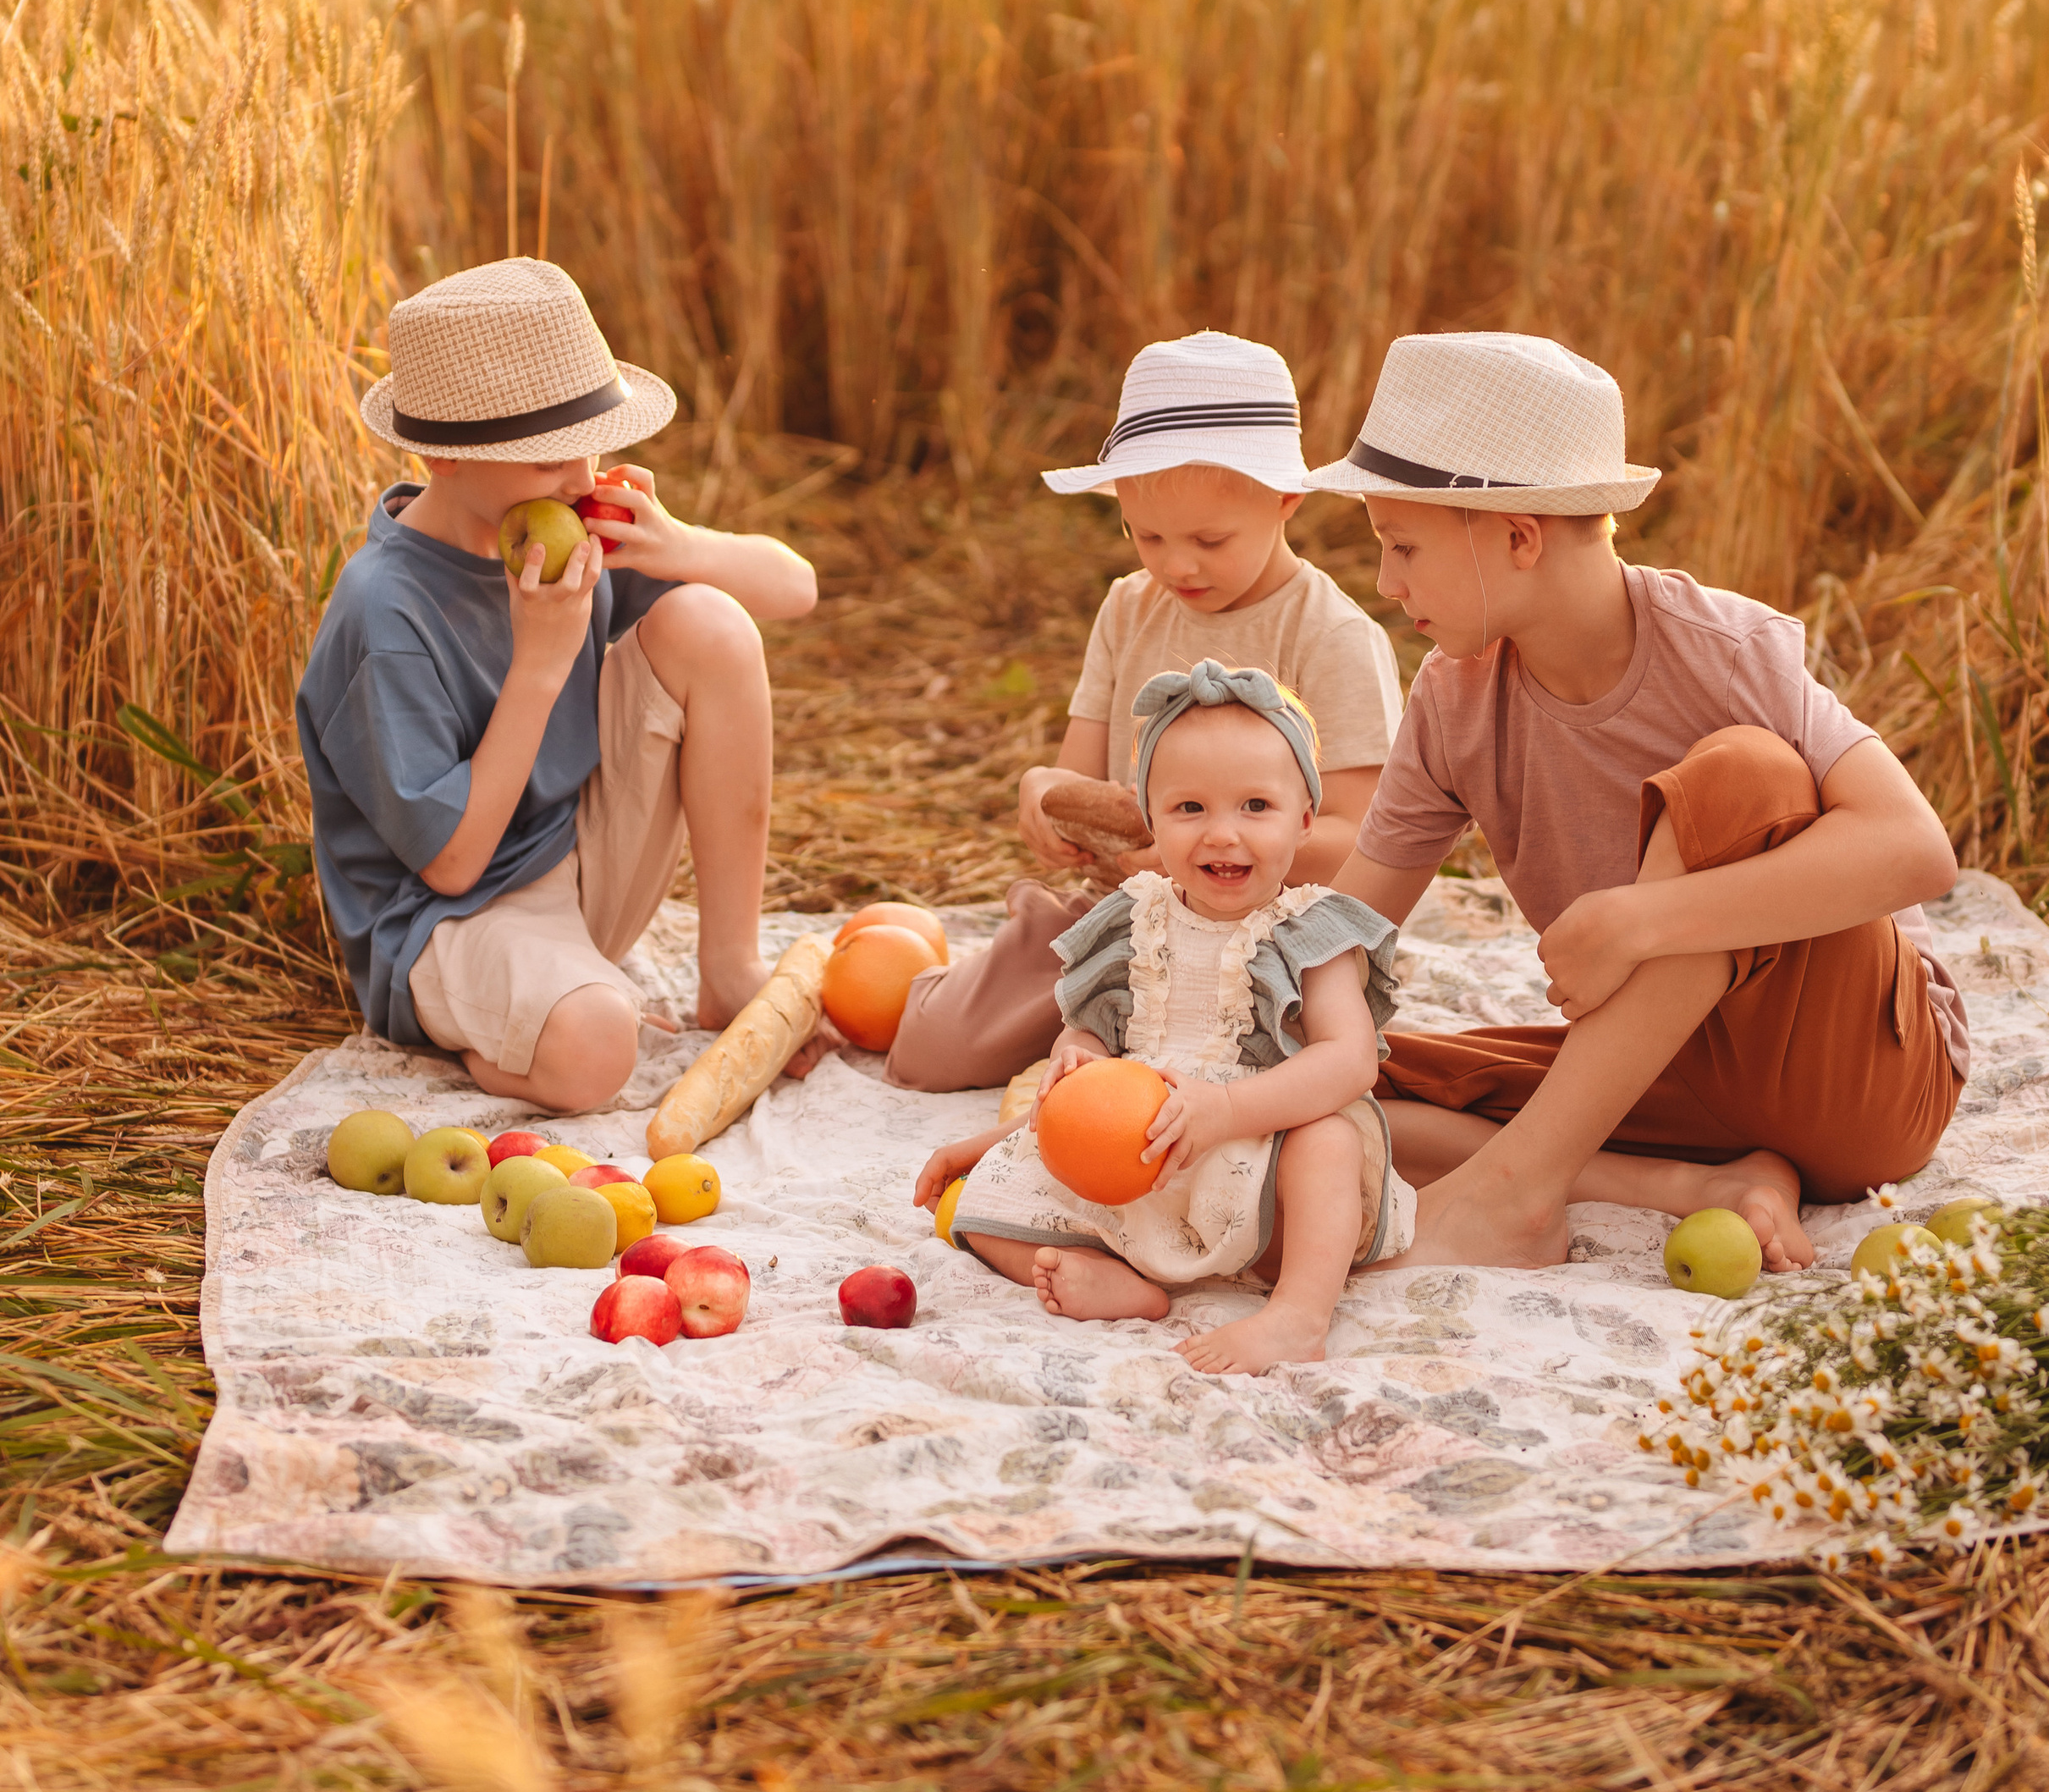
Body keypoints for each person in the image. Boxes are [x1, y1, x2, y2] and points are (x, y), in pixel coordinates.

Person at [1300, 332, 1965, 1275]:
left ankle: (1514, 1196)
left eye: (1401, 545)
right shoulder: (1453, 700)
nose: (1385, 583)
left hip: (1855, 1078)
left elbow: (1914, 849)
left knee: (1746, 773)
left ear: (1519, 537)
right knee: (1332, 1071)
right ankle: (1693, 1184)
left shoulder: (1719, 650)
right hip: (1666, 1081)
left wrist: (1641, 918)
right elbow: (1352, 928)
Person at [297, 257, 818, 1114]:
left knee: (711, 624)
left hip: (573, 858)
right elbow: (454, 865)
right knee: (596, 1048)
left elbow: (794, 589)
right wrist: (541, 661)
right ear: (443, 456)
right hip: (450, 924)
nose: (580, 479)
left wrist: (676, 545)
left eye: (591, 445)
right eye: (545, 463)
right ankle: (489, 1031)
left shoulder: (569, 521)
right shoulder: (383, 612)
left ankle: (728, 970)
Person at [885, 328, 1404, 1091]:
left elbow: (1358, 837)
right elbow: (1081, 776)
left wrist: (1199, 848)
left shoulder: (1330, 635)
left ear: (1288, 499)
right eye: (1146, 535)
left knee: (1250, 1066)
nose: (1176, 564)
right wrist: (1041, 789)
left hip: (1269, 926)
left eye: (1209, 538)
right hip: (1128, 915)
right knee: (933, 1055)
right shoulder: (1129, 609)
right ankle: (914, 978)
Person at [914, 662, 1413, 1371]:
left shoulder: (1310, 931)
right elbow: (1096, 1036)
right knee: (981, 1213)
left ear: (1305, 821)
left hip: (1259, 1167)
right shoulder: (1134, 920)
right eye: (1189, 810)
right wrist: (1073, 1059)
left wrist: (1229, 1109)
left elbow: (1349, 1061)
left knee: (1329, 1138)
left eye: (1255, 807)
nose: (1222, 835)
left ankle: (1298, 1315)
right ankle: (1131, 1285)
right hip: (1140, 1162)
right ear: (1150, 822)